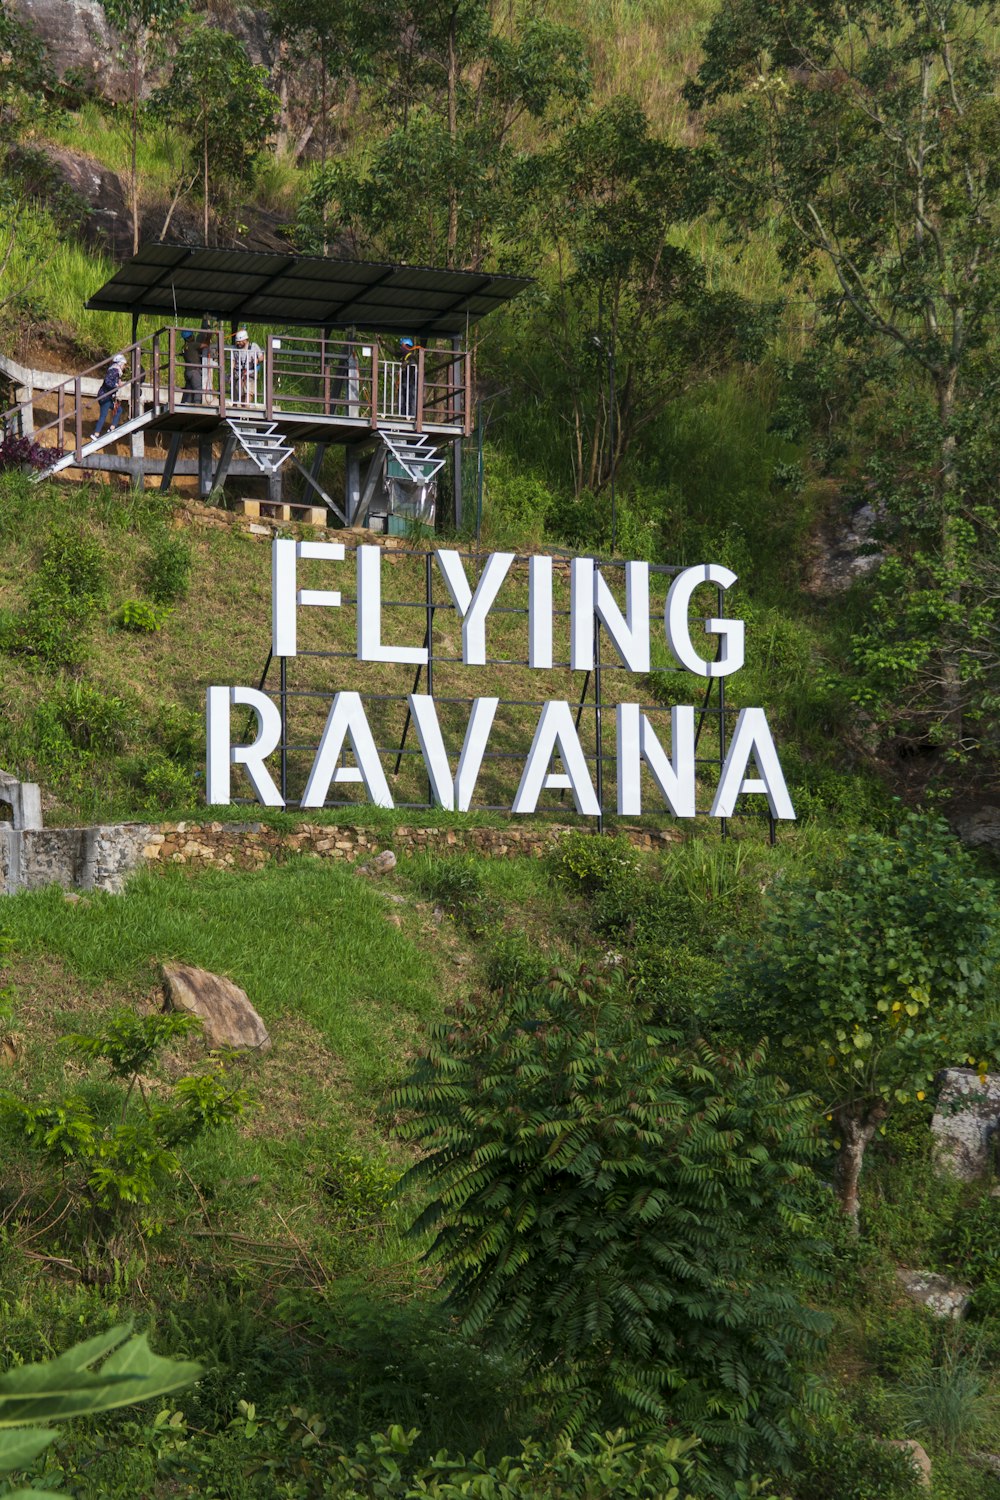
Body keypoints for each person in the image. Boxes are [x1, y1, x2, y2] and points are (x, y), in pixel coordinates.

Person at [93, 353, 126, 437]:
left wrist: (117, 384)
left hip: (107, 397)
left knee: (118, 410)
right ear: (120, 363)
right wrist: (116, 385)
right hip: (105, 397)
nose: (124, 366)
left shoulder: (115, 372)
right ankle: (96, 434)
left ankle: (112, 427)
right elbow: (107, 382)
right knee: (103, 415)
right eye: (123, 364)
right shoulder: (114, 370)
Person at [232, 328, 264, 404]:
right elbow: (233, 361)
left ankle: (247, 408)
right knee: (241, 396)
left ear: (245, 340)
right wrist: (232, 374)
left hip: (250, 374)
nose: (239, 343)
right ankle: (243, 410)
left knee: (249, 394)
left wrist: (257, 360)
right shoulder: (235, 349)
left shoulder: (254, 346)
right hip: (239, 375)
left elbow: (261, 357)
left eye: (240, 341)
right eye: (237, 342)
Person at [179, 330, 202, 404]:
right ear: (191, 337)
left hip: (188, 372)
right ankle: (197, 405)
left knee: (189, 390)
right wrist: (209, 336)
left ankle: (184, 404)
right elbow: (205, 345)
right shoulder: (192, 345)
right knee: (198, 388)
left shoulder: (184, 347)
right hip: (194, 371)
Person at [399, 335, 419, 418]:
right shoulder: (404, 356)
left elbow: (413, 365)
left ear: (406, 346)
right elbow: (394, 352)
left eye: (402, 346)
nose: (401, 348)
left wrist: (407, 363)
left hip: (411, 382)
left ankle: (411, 416)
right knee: (403, 400)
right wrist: (383, 343)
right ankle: (403, 416)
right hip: (405, 381)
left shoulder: (411, 356)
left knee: (411, 399)